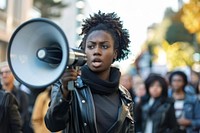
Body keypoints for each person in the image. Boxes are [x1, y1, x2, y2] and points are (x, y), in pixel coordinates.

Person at [45, 11, 134, 133]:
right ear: (84, 51)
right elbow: (53, 125)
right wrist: (64, 92)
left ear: (115, 53)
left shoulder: (125, 95)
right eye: (91, 46)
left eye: (104, 46)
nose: (96, 51)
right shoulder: (69, 86)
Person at [0, 61, 32, 132]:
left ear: (13, 74)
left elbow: (23, 117)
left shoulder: (22, 95)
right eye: (1, 73)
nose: (4, 75)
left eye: (7, 72)